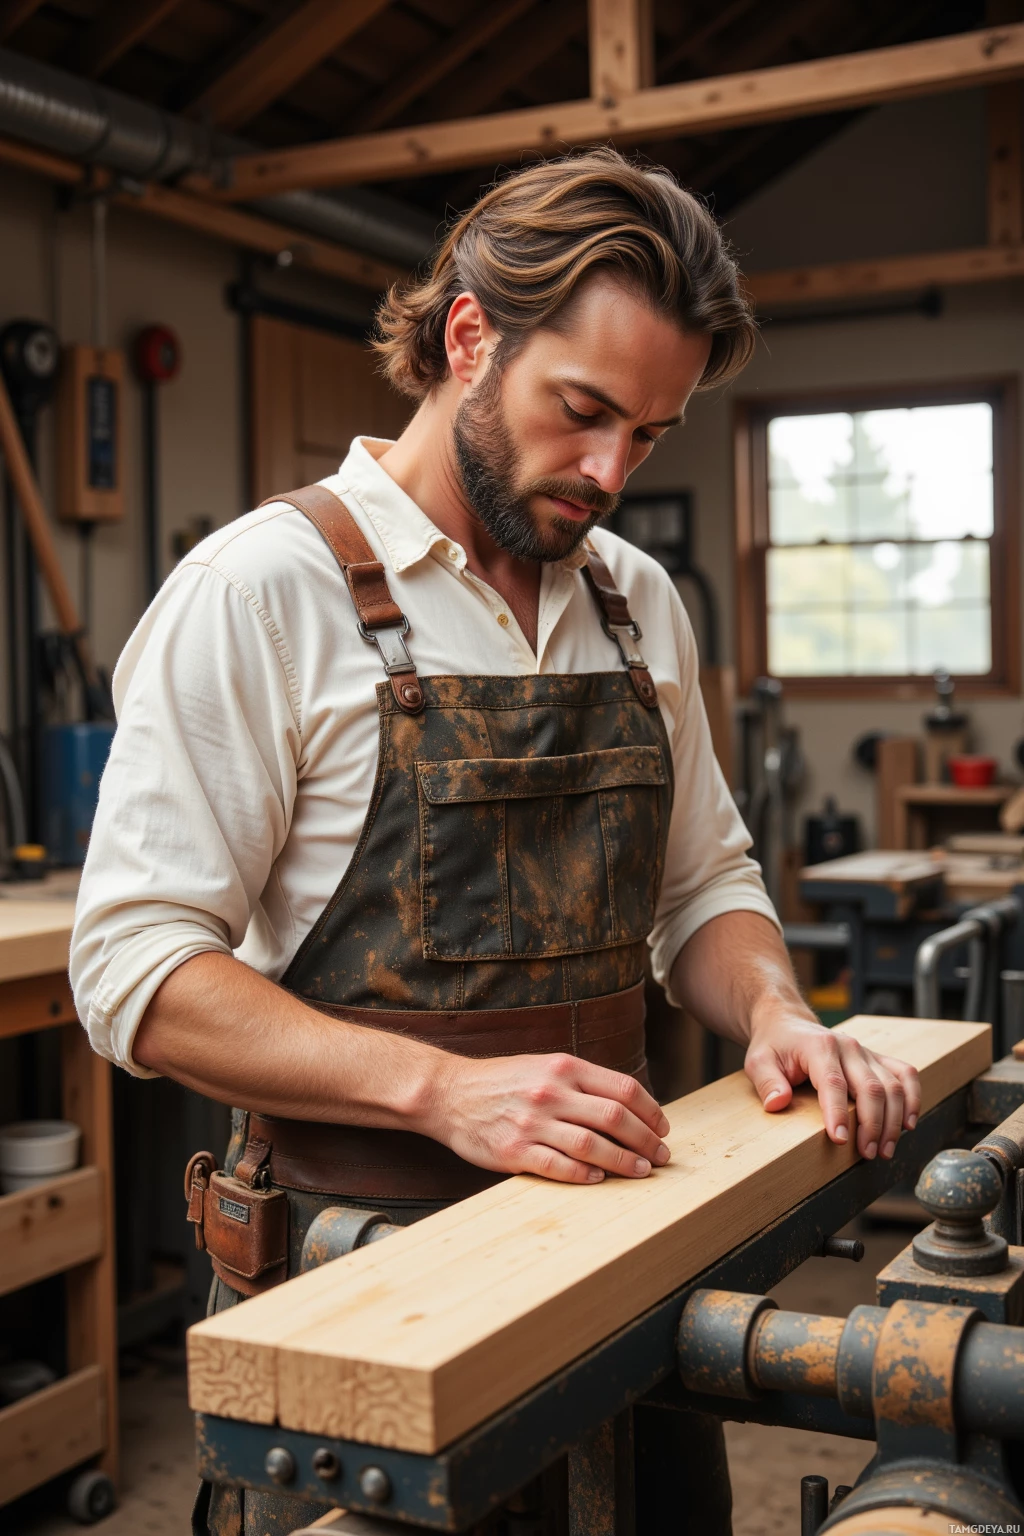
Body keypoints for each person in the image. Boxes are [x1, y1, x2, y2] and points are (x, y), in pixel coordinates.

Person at [71, 148, 920, 1536]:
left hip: (617, 1262)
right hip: (356, 1292)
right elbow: (135, 972)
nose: (609, 472)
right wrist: (437, 1091)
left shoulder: (637, 602)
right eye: (582, 411)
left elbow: (703, 884)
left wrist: (772, 1007)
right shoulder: (261, 591)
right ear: (468, 337)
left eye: (649, 436)